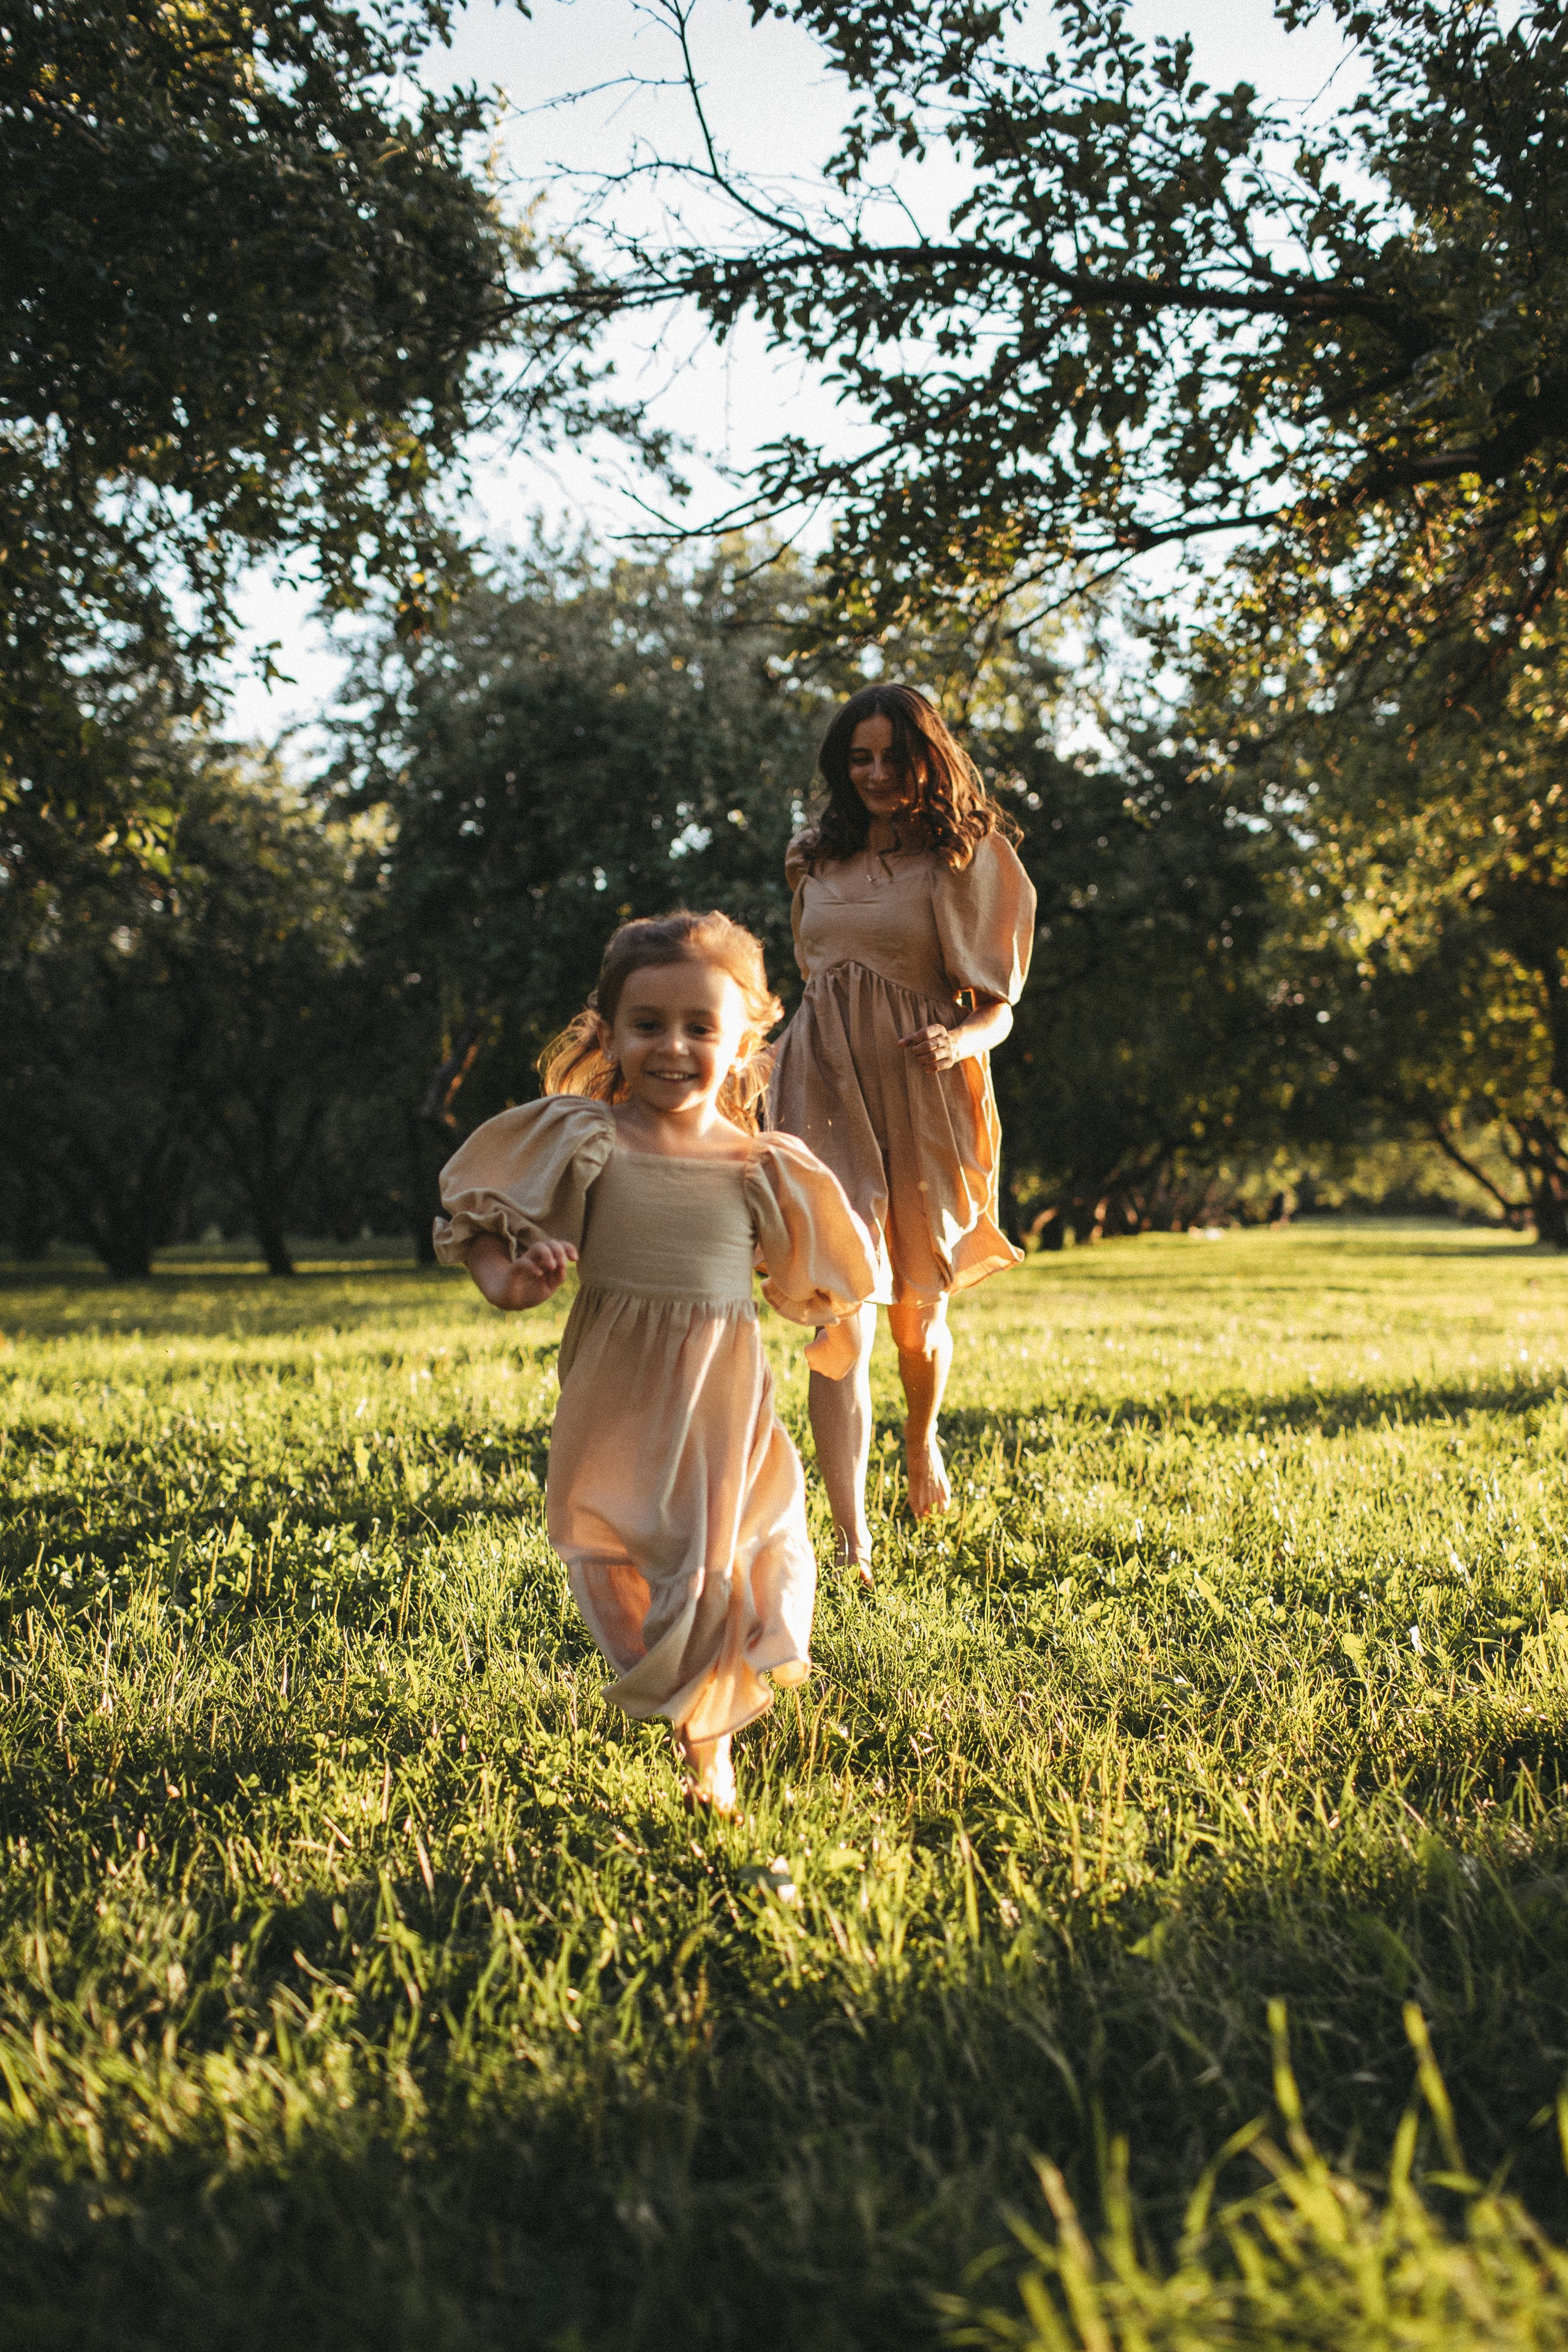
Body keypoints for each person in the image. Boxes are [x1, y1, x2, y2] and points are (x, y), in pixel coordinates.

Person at [432, 911, 876, 1814]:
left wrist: (837, 1326)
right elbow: (484, 1248)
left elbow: (822, 1283)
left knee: (720, 1567)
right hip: (619, 1407)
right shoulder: (584, 1141)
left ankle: (708, 1745)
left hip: (722, 1406)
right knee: (633, 1570)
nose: (673, 1047)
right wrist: (522, 1277)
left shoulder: (760, 1166)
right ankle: (684, 1701)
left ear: (745, 1038)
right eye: (648, 1025)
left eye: (700, 1027)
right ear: (608, 1032)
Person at [769, 683, 1037, 1583]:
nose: (878, 774)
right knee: (838, 1313)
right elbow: (816, 981)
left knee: (917, 1320)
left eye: (893, 756)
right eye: (859, 759)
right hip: (821, 1089)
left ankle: (921, 1440)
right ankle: (852, 1546)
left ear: (929, 756)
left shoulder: (968, 858)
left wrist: (958, 1036)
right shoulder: (812, 857)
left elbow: (1000, 1008)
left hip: (922, 1092)